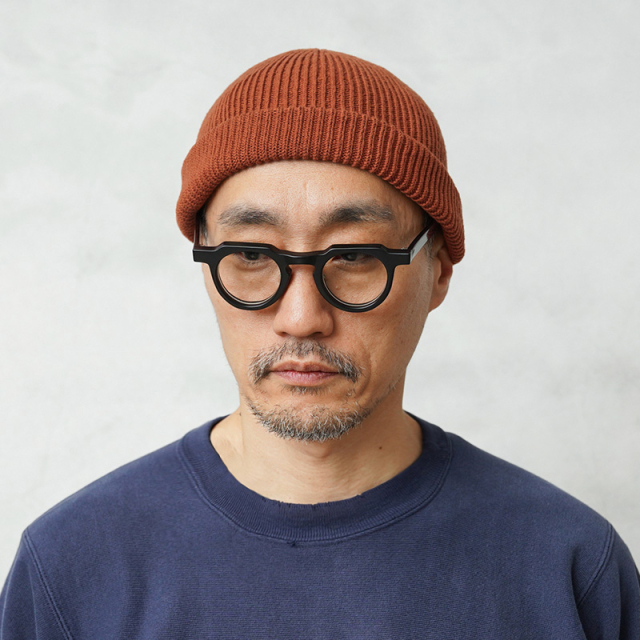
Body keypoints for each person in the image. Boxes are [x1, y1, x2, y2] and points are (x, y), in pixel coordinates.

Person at [1, 48, 638, 639]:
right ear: (206, 268)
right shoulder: (72, 568)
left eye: (355, 255)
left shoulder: (569, 568)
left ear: (438, 272)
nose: (301, 317)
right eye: (252, 255)